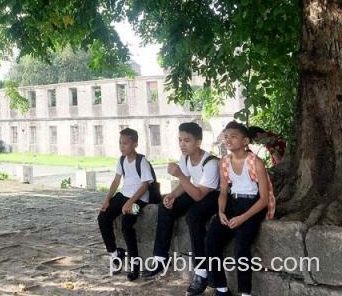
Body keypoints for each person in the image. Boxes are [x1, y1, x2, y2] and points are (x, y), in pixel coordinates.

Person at [141, 122, 219, 296]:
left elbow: (199, 195)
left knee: (194, 216)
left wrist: (180, 175)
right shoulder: (185, 157)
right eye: (180, 140)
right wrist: (172, 195)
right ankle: (161, 257)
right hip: (196, 190)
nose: (182, 144)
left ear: (198, 142)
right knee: (166, 206)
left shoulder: (211, 163)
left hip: (214, 196)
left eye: (187, 140)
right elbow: (185, 185)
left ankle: (201, 272)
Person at [205, 121, 275, 296]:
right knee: (211, 240)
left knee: (241, 246)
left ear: (245, 141)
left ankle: (245, 292)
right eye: (226, 136)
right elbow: (223, 191)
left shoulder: (255, 162)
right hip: (232, 204)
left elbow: (264, 198)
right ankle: (221, 288)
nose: (228, 140)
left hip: (253, 205)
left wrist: (243, 218)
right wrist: (221, 211)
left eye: (233, 136)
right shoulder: (224, 162)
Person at [97, 127, 155, 281]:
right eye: (120, 143)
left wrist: (131, 202)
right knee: (103, 217)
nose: (122, 146)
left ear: (135, 144)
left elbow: (145, 186)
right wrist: (107, 199)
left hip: (139, 199)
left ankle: (134, 264)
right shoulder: (121, 160)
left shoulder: (142, 161)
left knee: (126, 225)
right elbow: (116, 180)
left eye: (125, 143)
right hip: (124, 195)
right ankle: (115, 254)